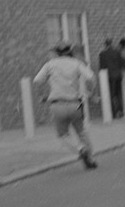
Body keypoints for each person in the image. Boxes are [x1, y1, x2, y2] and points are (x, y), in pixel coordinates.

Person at [33, 40, 98, 169]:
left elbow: (37, 81)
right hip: (75, 103)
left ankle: (80, 149)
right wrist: (92, 93)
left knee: (63, 136)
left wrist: (42, 96)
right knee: (82, 132)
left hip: (57, 104)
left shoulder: (49, 65)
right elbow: (91, 78)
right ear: (70, 51)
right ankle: (90, 158)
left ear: (57, 52)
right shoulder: (76, 63)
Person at [98, 38, 125, 119]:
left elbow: (101, 67)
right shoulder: (117, 52)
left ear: (105, 44)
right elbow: (122, 63)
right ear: (111, 43)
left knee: (111, 95)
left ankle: (113, 113)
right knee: (118, 94)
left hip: (109, 77)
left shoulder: (102, 54)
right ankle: (121, 111)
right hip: (118, 76)